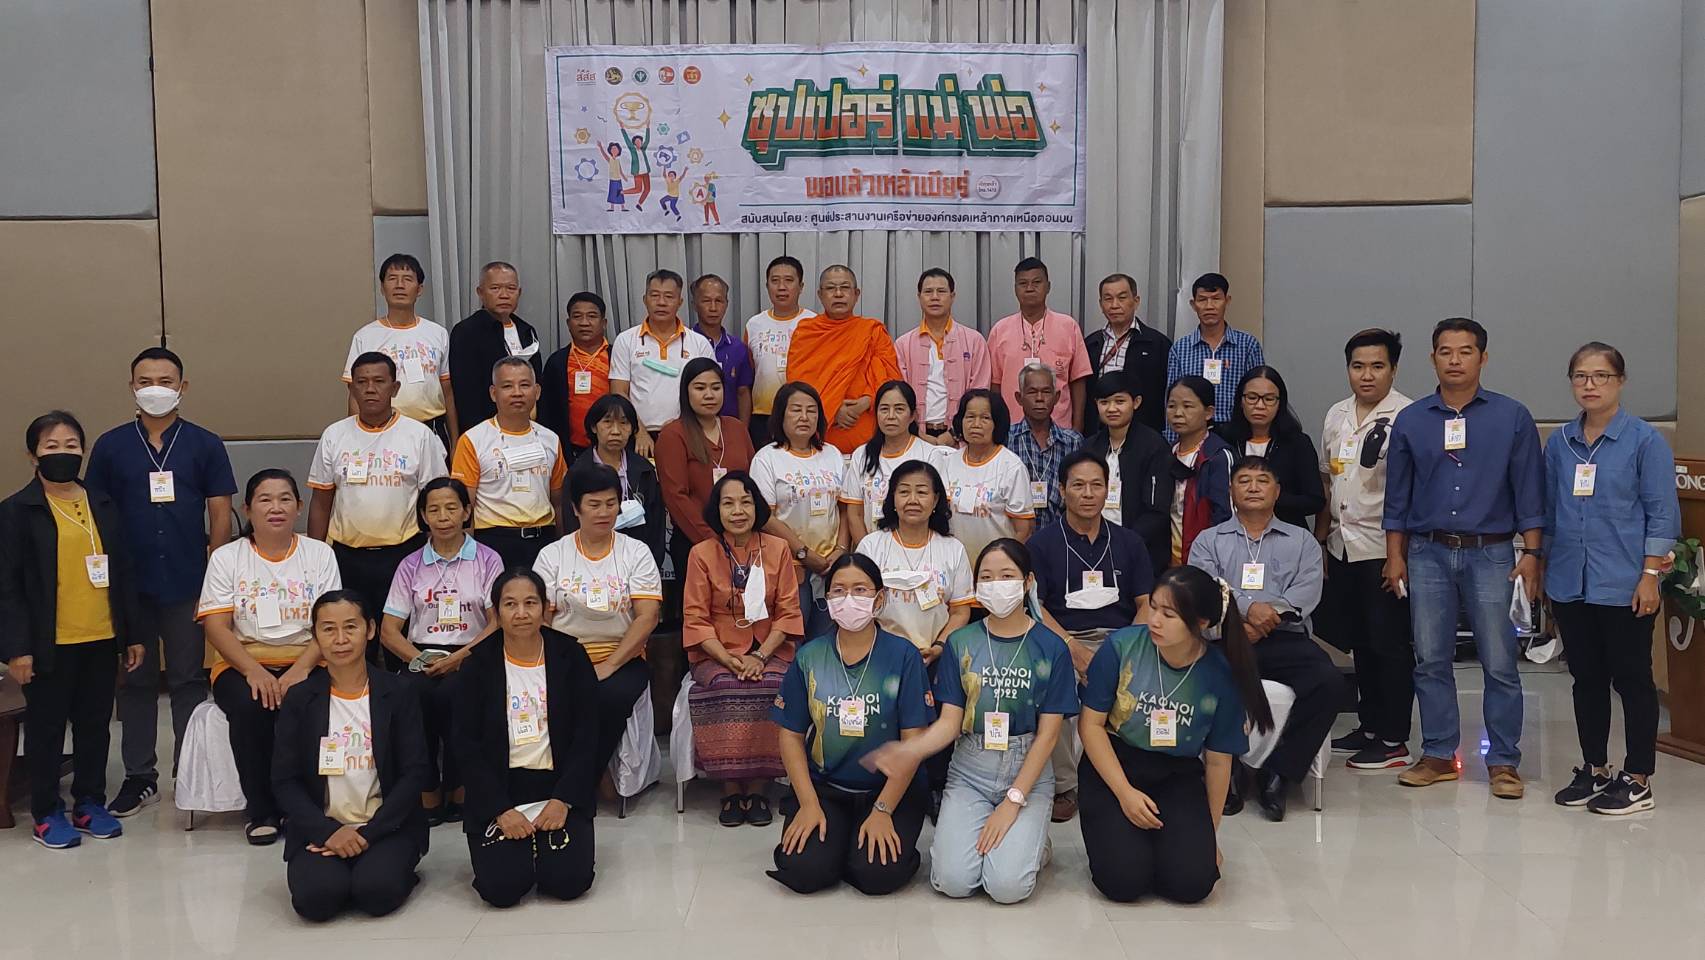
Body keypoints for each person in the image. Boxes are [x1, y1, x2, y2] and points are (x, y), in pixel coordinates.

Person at [1383, 318, 1543, 799]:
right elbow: (1397, 497)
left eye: (1465, 351)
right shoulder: (1412, 420)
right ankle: (1437, 754)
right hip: (1426, 552)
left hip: (1492, 553)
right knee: (1430, 658)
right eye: (1445, 351)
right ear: (1432, 358)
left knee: (1499, 661)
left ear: (1483, 358)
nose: (1455, 360)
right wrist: (1395, 556)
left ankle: (1504, 762)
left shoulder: (1512, 417)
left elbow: (1530, 492)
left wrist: (1532, 553)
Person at [868, 539, 1077, 903]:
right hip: (970, 769)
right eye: (987, 577)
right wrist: (910, 750)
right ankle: (1007, 840)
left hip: (1026, 767)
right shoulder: (960, 642)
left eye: (1007, 576)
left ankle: (1034, 842)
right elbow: (950, 723)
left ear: (1028, 582)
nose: (996, 584)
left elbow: (1048, 736)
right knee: (953, 882)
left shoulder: (1051, 647)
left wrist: (1014, 800)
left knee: (1007, 888)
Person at [85, 347, 236, 817]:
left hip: (188, 580)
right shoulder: (111, 446)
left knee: (189, 678)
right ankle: (139, 777)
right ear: (132, 386)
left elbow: (220, 511)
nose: (155, 389)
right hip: (130, 586)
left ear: (182, 387)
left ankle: (189, 774)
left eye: (165, 381)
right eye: (145, 381)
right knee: (135, 680)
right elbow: (96, 514)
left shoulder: (204, 444)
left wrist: (216, 571)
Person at [1077, 566, 1273, 903]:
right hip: (1116, 765)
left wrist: (1208, 836)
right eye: (1153, 608)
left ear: (1201, 622)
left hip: (1176, 774)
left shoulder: (1219, 673)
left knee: (1192, 885)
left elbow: (1218, 761)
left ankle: (1166, 847)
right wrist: (1125, 793)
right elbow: (1090, 726)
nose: (1154, 620)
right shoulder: (1122, 647)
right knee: (1123, 882)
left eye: (1168, 615)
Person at [1544, 343, 1679, 815]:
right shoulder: (1560, 443)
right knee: (1586, 679)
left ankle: (1638, 778)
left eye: (1600, 376)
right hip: (1570, 581)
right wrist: (1543, 569)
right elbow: (1550, 511)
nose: (1590, 385)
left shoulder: (1644, 441)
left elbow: (1662, 514)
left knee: (1632, 679)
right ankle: (1595, 768)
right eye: (1581, 376)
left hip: (1625, 582)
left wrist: (1650, 575)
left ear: (1620, 381)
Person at [1, 411, 144, 848]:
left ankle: (89, 802)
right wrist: (16, 649)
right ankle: (47, 812)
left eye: (71, 446)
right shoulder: (17, 511)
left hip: (100, 637)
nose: (62, 453)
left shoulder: (102, 503)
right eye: (51, 446)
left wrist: (132, 634)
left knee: (95, 726)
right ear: (32, 455)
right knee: (46, 729)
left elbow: (123, 571)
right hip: (48, 643)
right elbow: (7, 587)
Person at [767, 554, 932, 894]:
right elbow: (791, 735)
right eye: (839, 591)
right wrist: (808, 803)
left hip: (888, 789)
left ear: (879, 599)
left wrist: (883, 810)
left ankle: (854, 846)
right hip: (827, 787)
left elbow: (913, 742)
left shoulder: (904, 656)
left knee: (877, 875)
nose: (849, 599)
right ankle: (837, 845)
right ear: (827, 600)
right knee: (805, 871)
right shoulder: (810, 656)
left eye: (860, 590)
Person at [1190, 456, 1341, 821]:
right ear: (1231, 491)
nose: (1253, 487)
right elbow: (1205, 589)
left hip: (1285, 638)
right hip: (1225, 637)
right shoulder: (1208, 540)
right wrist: (1247, 610)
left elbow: (1305, 592)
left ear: (1277, 491)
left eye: (1262, 480)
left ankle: (1280, 771)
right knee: (1204, 681)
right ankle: (1226, 771)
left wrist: (1262, 622)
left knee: (1331, 684)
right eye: (1244, 481)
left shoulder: (1301, 540)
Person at [200, 469, 342, 845]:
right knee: (251, 707)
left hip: (310, 658)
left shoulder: (320, 554)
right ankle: (262, 810)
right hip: (241, 662)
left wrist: (300, 669)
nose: (275, 507)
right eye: (265, 499)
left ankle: (306, 810)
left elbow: (331, 623)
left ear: (299, 507)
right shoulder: (226, 557)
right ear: (247, 509)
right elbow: (216, 627)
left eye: (284, 499)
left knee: (309, 703)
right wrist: (254, 671)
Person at [273, 591, 431, 921]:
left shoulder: (398, 692)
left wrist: (367, 834)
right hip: (322, 828)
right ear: (315, 636)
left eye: (350, 627)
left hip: (386, 827)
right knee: (316, 901)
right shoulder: (300, 699)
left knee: (376, 893)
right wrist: (328, 832)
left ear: (370, 629)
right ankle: (342, 867)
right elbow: (285, 780)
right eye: (328, 629)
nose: (341, 639)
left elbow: (415, 772)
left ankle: (387, 865)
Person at [454, 569, 599, 907]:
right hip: (500, 788)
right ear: (496, 612)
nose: (521, 613)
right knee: (501, 889)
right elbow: (465, 744)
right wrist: (500, 809)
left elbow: (588, 733)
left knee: (569, 882)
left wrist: (563, 799)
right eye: (510, 604)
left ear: (545, 608)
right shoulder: (477, 665)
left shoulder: (570, 656)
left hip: (557, 784)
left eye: (530, 603)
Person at [1028, 450, 1156, 822]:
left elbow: (1146, 603)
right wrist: (1072, 649)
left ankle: (1126, 777)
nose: (1088, 494)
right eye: (1078, 485)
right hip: (1061, 639)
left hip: (1122, 638)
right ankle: (1065, 785)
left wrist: (1122, 649)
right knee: (1054, 688)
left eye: (1096, 485)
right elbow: (1036, 608)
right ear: (1061, 490)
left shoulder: (1129, 542)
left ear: (1108, 490)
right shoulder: (1041, 544)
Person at [1314, 329, 1416, 770]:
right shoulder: (1337, 413)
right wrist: (1321, 541)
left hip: (1383, 548)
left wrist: (1399, 556)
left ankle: (1393, 738)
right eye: (1358, 366)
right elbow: (1328, 479)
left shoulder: (1408, 416)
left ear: (1393, 369)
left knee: (1388, 644)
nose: (1367, 375)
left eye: (1377, 366)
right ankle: (1370, 725)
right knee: (1360, 642)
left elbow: (1411, 492)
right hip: (1342, 545)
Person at [682, 472, 805, 826]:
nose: (738, 511)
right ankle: (731, 789)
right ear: (716, 510)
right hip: (715, 651)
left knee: (774, 686)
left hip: (770, 648)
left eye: (746, 502)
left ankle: (759, 786)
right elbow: (695, 617)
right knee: (724, 686)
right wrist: (728, 659)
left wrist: (760, 656)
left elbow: (788, 612)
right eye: (729, 503)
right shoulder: (701, 553)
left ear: (757, 507)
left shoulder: (777, 549)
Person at [379, 478, 503, 823]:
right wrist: (419, 659)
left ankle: (460, 787)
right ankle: (428, 789)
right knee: (412, 697)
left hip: (473, 653)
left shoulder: (488, 559)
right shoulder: (410, 564)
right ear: (423, 515)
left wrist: (458, 659)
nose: (443, 516)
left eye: (451, 508)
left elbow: (496, 623)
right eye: (434, 509)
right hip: (420, 656)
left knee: (457, 695)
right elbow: (388, 631)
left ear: (466, 511)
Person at [533, 465, 663, 777]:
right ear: (575, 508)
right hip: (564, 658)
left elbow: (647, 617)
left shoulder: (636, 552)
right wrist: (565, 663)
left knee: (608, 696)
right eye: (594, 504)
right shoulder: (552, 555)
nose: (604, 512)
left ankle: (581, 781)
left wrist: (610, 665)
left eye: (610, 503)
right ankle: (578, 780)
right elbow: (542, 619)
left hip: (623, 656)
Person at [309, 352, 448, 626]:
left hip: (405, 555)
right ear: (352, 388)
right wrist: (314, 557)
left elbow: (436, 500)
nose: (370, 389)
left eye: (379, 381)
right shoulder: (334, 435)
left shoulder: (419, 435)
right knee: (353, 634)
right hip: (348, 557)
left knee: (402, 633)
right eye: (362, 382)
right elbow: (321, 501)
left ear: (394, 388)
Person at [449, 357, 569, 571]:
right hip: (493, 542)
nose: (517, 393)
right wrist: (467, 560)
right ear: (493, 393)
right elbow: (465, 507)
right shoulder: (473, 440)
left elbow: (558, 503)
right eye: (507, 386)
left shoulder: (551, 439)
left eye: (524, 385)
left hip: (543, 540)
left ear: (537, 391)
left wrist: (562, 547)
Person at [750, 381, 847, 641]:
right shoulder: (767, 458)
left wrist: (840, 550)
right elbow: (766, 518)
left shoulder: (832, 454)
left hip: (830, 566)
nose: (804, 417)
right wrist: (803, 553)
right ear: (780, 415)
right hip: (789, 566)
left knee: (827, 642)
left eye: (811, 410)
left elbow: (844, 508)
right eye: (796, 410)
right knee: (791, 641)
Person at [855, 459, 976, 659]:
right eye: (904, 492)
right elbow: (860, 605)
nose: (912, 500)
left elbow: (960, 612)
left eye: (921, 492)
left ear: (935, 500)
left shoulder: (953, 549)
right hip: (879, 655)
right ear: (893, 498)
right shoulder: (871, 546)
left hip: (937, 655)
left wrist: (939, 646)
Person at [656, 357, 757, 584]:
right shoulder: (673, 435)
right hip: (695, 541)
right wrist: (712, 540)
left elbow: (753, 483)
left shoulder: (737, 428)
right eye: (700, 388)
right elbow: (675, 496)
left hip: (742, 538)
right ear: (686, 392)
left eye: (716, 388)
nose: (709, 395)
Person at [784, 264, 903, 452]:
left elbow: (891, 380)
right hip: (819, 440)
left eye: (845, 288)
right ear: (820, 295)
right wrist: (834, 409)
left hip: (869, 440)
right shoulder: (806, 332)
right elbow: (798, 386)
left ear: (856, 294)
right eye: (831, 288)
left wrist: (865, 402)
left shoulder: (872, 331)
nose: (838, 294)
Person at [345, 254, 458, 445]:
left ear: (419, 289)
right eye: (392, 278)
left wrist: (455, 441)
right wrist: (357, 439)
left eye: (407, 279)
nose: (399, 285)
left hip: (432, 430)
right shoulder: (365, 336)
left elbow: (447, 392)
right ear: (382, 288)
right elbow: (355, 395)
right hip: (383, 430)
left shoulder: (437, 333)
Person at [609, 269, 715, 457]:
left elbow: (709, 391)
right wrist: (639, 431)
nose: (661, 302)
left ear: (680, 302)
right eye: (655, 295)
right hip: (639, 436)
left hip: (687, 432)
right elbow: (618, 391)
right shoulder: (626, 340)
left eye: (669, 296)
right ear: (645, 299)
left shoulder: (699, 343)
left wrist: (681, 425)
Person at [1084, 369, 1174, 581]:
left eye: (1119, 401)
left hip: (1140, 549)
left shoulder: (1153, 446)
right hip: (1093, 546)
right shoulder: (1090, 447)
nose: (1111, 408)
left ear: (1136, 402)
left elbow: (1156, 511)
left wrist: (1123, 544)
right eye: (1104, 402)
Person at [987, 258, 1092, 431]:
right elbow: (995, 385)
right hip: (1011, 429)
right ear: (1015, 289)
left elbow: (1078, 380)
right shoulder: (1000, 330)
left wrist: (1077, 426)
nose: (1030, 288)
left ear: (1048, 286)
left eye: (1037, 282)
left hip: (1060, 428)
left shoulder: (1068, 327)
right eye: (1023, 283)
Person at [563, 393, 666, 566]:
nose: (616, 431)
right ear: (594, 427)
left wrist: (650, 564)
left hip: (638, 561)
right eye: (608, 422)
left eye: (624, 423)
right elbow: (570, 522)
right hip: (590, 562)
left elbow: (656, 525)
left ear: (633, 429)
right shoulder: (578, 473)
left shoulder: (645, 470)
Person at [1218, 366, 1325, 529]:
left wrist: (1270, 497)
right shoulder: (1224, 439)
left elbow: (1315, 500)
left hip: (1286, 533)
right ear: (1240, 400)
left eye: (1269, 399)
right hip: (1232, 534)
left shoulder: (1297, 443)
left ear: (1280, 403)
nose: (1260, 405)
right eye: (1252, 398)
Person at [893, 267, 992, 444]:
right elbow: (899, 396)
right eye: (928, 292)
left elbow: (980, 393)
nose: (935, 297)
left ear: (952, 296)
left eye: (941, 291)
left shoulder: (974, 340)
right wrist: (918, 434)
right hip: (915, 436)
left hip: (962, 437)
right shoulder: (903, 344)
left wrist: (953, 434)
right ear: (919, 297)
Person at [939, 389, 1035, 563]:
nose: (976, 424)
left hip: (996, 567)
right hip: (955, 564)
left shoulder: (1011, 467)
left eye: (985, 418)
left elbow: (1024, 529)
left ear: (997, 423)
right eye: (970, 417)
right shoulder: (947, 463)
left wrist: (1003, 564)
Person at [1164, 273, 1264, 433]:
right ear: (1193, 304)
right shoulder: (1180, 348)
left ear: (1227, 301)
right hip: (1193, 432)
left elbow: (1259, 392)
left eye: (1216, 299)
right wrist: (1172, 441)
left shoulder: (1248, 345)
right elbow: (1172, 399)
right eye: (1202, 300)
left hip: (1236, 431)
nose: (1209, 306)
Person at [841, 380, 937, 545]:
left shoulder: (929, 455)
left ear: (913, 415)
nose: (891, 416)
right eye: (884, 409)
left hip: (915, 549)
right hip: (870, 551)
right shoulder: (862, 455)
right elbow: (855, 514)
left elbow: (935, 511)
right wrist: (868, 553)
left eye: (899, 409)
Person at [449, 261, 544, 428]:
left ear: (519, 292)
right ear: (480, 292)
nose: (504, 295)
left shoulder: (527, 331)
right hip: (486, 429)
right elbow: (465, 393)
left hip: (527, 426)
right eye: (495, 288)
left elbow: (537, 380)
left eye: (511, 288)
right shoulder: (466, 332)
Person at [744, 255, 817, 448]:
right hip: (763, 416)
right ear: (767, 286)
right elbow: (749, 373)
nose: (781, 287)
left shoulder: (815, 323)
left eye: (789, 280)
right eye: (775, 281)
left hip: (803, 415)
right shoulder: (754, 324)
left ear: (801, 286)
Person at [1084, 274, 1169, 435]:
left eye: (1122, 298)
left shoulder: (1157, 344)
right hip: (1098, 433)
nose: (1114, 305)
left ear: (1136, 301)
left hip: (1143, 434)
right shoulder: (1090, 344)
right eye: (1108, 299)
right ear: (1101, 304)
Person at [1165, 376, 1235, 568]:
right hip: (1169, 560)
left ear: (1208, 412)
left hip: (1207, 560)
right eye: (1172, 406)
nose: (1178, 413)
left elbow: (1225, 516)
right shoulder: (1166, 453)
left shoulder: (1218, 456)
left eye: (1188, 406)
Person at [1007, 362, 1083, 530]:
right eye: (1032, 392)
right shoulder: (1007, 438)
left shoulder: (1072, 442)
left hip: (1061, 535)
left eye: (1046, 392)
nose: (1040, 398)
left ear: (1056, 397)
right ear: (1019, 398)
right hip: (1015, 535)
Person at [540, 291, 612, 457]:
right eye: (577, 316)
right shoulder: (557, 362)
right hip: (570, 451)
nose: (584, 323)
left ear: (604, 323)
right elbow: (547, 411)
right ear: (568, 323)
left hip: (613, 448)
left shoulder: (617, 356)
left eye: (592, 316)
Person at [692, 273, 754, 424]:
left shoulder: (738, 348)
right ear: (694, 304)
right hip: (692, 428)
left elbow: (743, 393)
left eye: (719, 301)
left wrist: (742, 431)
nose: (713, 308)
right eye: (706, 301)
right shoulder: (685, 343)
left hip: (729, 429)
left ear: (726, 304)